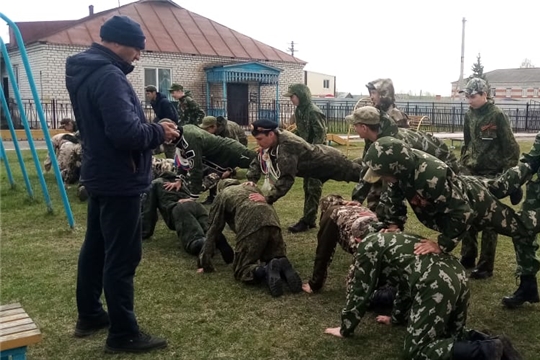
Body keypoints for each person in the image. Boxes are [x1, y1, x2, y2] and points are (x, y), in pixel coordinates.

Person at [65, 15, 180, 353]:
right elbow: (125, 134)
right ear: (117, 42)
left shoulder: (86, 71)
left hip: (100, 174)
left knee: (96, 248)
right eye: (136, 48)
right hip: (120, 180)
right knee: (122, 257)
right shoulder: (109, 76)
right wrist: (161, 131)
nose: (138, 56)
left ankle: (89, 314)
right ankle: (123, 334)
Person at [361, 136, 539, 308]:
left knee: (524, 228)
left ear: (395, 167)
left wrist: (441, 244)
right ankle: (527, 168)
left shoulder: (430, 177)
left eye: (383, 174)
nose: (382, 178)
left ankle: (530, 165)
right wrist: (394, 225)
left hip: (478, 205)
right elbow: (394, 196)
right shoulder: (401, 168)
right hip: (464, 187)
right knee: (500, 185)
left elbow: (463, 213)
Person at [324, 232, 523, 360]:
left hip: (436, 283)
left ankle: (487, 351)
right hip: (459, 275)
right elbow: (403, 286)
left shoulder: (366, 248)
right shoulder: (393, 241)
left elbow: (360, 291)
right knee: (450, 334)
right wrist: (396, 319)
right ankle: (494, 343)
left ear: (356, 241)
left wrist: (345, 328)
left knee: (416, 352)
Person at [458, 78, 521, 280]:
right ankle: (467, 257)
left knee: (488, 220)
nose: (469, 100)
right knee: (467, 214)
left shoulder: (497, 115)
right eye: (467, 96)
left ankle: (485, 266)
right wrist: (463, 164)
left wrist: (509, 179)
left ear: (485, 94)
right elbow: (467, 143)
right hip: (471, 173)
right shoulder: (469, 114)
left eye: (473, 96)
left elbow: (511, 148)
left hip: (491, 175)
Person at [198, 179, 303, 297]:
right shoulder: (251, 187)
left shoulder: (223, 195)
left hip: (251, 223)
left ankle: (264, 271)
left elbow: (213, 229)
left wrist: (205, 263)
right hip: (272, 221)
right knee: (271, 256)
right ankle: (280, 261)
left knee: (242, 269)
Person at [348, 106, 458, 217]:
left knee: (437, 207)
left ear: (364, 127)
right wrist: (358, 199)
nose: (353, 128)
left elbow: (393, 185)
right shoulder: (372, 141)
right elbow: (368, 167)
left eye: (355, 125)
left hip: (444, 161)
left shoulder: (393, 145)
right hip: (423, 165)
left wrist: (388, 218)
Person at [246, 119, 361, 208]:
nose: (258, 143)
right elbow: (260, 157)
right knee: (362, 171)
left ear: (270, 134)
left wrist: (267, 198)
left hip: (330, 162)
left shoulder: (287, 146)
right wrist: (252, 179)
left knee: (364, 176)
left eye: (260, 139)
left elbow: (286, 178)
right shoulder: (276, 137)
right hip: (318, 165)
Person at [141, 170, 233, 262]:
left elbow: (149, 209)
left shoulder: (155, 183)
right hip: (196, 205)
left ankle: (204, 246)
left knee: (194, 238)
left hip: (178, 207)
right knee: (208, 227)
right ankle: (217, 237)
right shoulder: (181, 180)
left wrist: (145, 232)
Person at [303, 194, 378, 293]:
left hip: (364, 245)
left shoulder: (331, 212)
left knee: (356, 292)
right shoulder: (358, 206)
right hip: (384, 238)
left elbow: (324, 251)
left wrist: (315, 284)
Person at [167, 122, 256, 200]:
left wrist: (193, 197)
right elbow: (183, 160)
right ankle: (213, 196)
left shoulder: (191, 140)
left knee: (258, 161)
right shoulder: (184, 132)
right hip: (219, 160)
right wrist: (179, 179)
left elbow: (195, 168)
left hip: (232, 152)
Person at [282, 84, 327, 233]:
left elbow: (320, 135)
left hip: (316, 155)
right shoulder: (299, 111)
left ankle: (307, 220)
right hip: (307, 154)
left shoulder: (313, 112)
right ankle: (310, 218)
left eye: (292, 97)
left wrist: (313, 153)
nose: (291, 100)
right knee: (307, 187)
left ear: (300, 95)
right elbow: (302, 134)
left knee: (313, 187)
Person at [145, 85, 179, 159]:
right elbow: (159, 115)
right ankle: (154, 151)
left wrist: (169, 125)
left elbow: (171, 115)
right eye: (146, 94)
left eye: (149, 93)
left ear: (154, 93)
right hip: (163, 121)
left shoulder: (164, 101)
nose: (147, 95)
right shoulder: (153, 102)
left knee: (169, 145)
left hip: (171, 122)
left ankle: (171, 160)